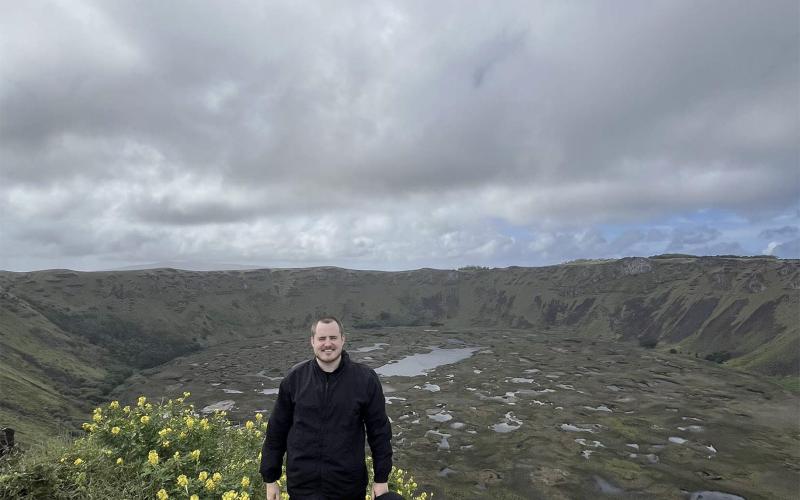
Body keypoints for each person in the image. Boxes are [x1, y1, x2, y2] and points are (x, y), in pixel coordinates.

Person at [260, 316, 393, 500]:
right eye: (322, 339)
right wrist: (271, 478)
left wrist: (381, 478)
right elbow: (277, 431)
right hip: (302, 488)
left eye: (333, 338)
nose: (327, 344)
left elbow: (379, 432)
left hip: (348, 488)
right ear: (312, 341)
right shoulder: (294, 379)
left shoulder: (365, 379)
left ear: (343, 340)